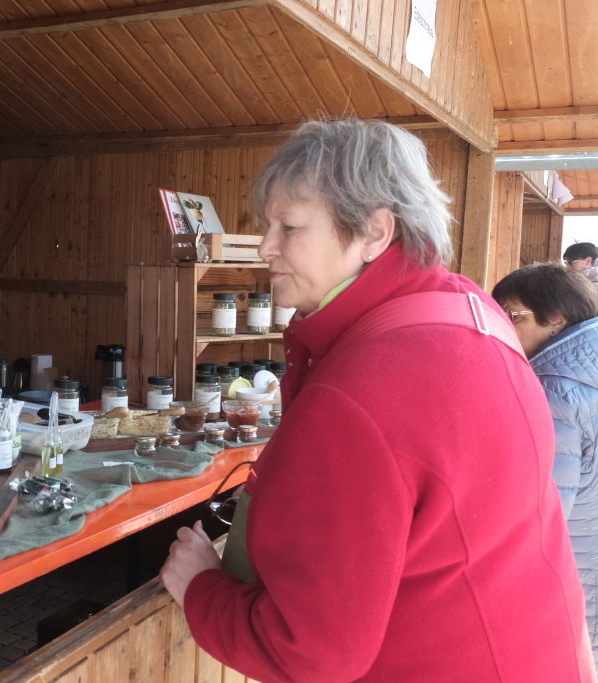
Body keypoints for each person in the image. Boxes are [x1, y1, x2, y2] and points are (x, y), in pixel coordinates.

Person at [160, 119, 594, 682]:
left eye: (289, 226)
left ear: (374, 232)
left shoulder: (357, 394)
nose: (266, 246)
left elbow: (310, 650)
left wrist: (200, 587)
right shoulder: (472, 311)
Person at [492, 262, 598, 659]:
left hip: (577, 578)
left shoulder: (554, 391)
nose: (502, 326)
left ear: (556, 320)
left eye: (512, 315)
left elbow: (542, 515)